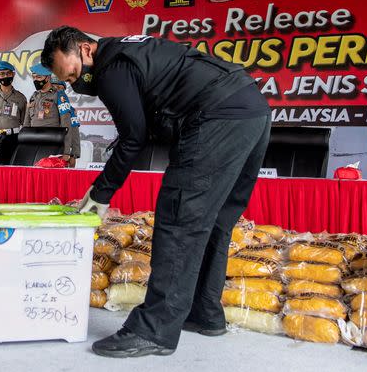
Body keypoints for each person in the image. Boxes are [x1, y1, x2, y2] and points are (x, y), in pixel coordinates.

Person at [41, 27, 271, 358]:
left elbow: (134, 138)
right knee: (216, 219)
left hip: (217, 113)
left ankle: (154, 330)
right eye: (69, 80)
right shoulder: (129, 53)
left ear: (86, 50)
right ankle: (205, 312)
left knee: (179, 218)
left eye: (75, 72)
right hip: (251, 109)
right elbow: (145, 129)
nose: (78, 83)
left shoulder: (110, 66)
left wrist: (100, 196)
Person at [24, 63, 80, 167]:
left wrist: (70, 153)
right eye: (34, 77)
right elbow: (27, 124)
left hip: (52, 145)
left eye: (39, 77)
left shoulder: (60, 96)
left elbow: (68, 127)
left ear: (47, 78)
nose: (36, 80)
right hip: (33, 144)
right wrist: (23, 142)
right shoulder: (34, 96)